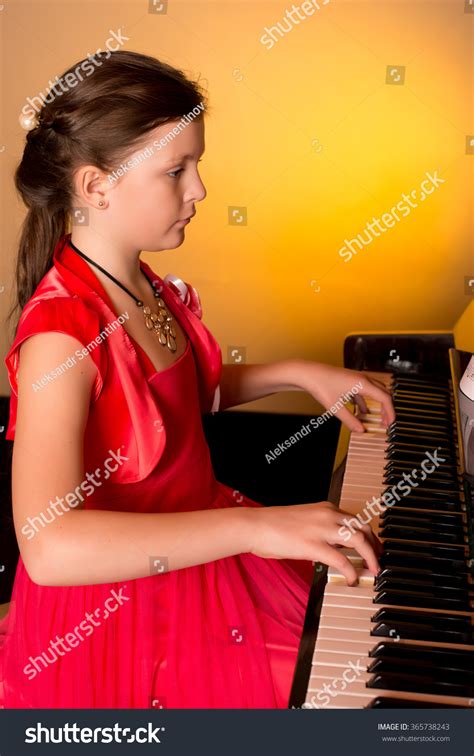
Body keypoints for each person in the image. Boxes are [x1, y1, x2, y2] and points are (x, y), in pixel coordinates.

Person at [0, 50, 394, 709]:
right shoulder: (59, 337)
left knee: (356, 635)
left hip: (198, 555)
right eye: (176, 170)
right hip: (124, 613)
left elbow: (168, 399)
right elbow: (50, 549)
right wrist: (256, 530)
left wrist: (299, 375)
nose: (200, 190)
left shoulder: (138, 283)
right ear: (98, 188)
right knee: (342, 693)